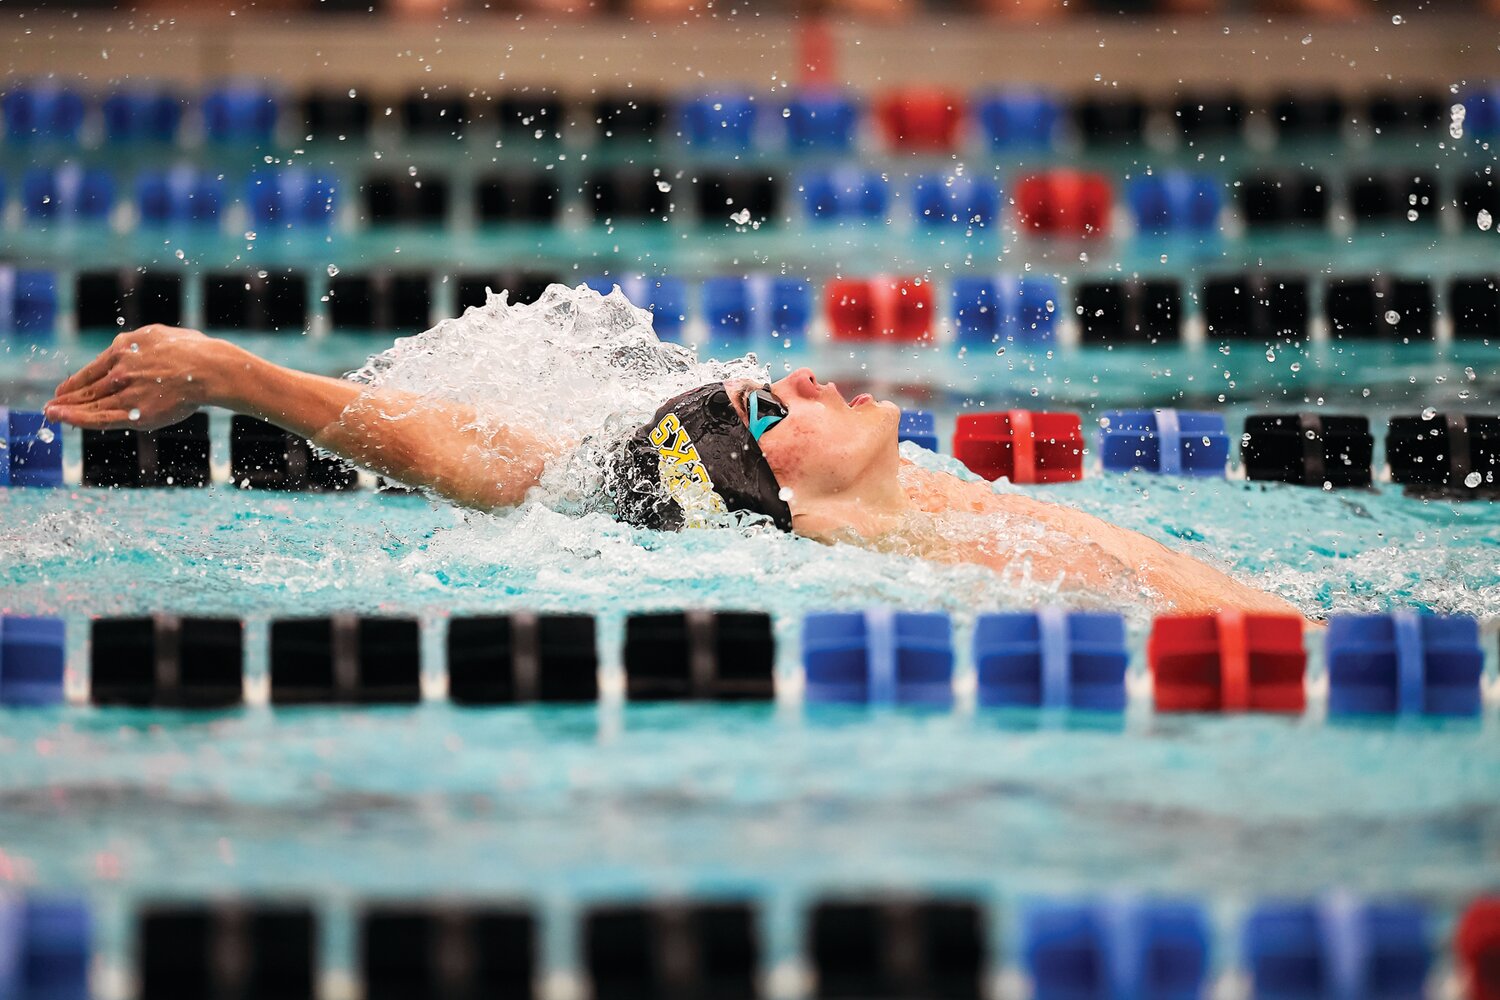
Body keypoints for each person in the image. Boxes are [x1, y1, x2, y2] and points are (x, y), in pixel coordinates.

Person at [44, 320, 1305, 619]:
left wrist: (236, 373)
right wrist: (239, 379)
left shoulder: (927, 501)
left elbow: (496, 453)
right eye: (766, 409)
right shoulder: (864, 543)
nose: (801, 374)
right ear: (774, 499)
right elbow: (484, 463)